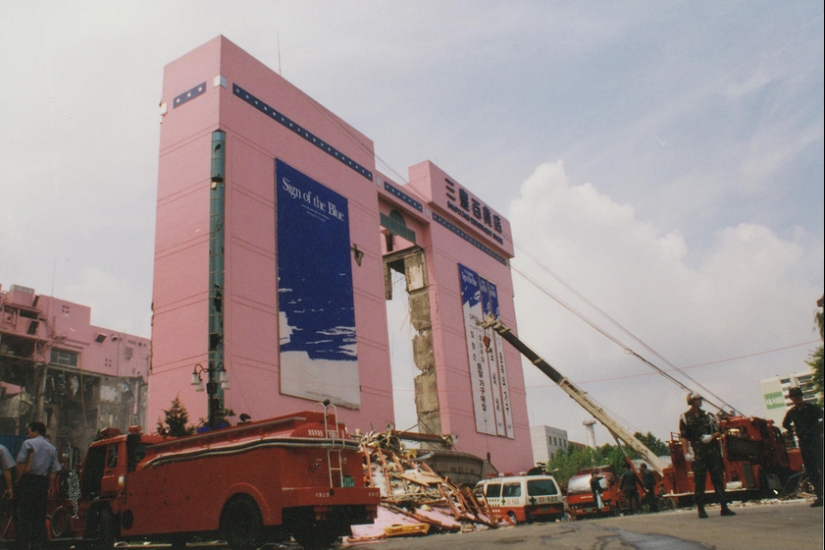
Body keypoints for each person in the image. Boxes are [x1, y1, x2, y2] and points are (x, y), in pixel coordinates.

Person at [680, 392, 735, 519]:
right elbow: (684, 436)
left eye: (700, 399)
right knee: (699, 481)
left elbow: (719, 431)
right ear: (691, 402)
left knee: (718, 480)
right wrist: (686, 453)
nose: (700, 401)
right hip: (698, 454)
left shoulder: (708, 416)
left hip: (712, 452)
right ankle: (701, 508)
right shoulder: (685, 418)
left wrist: (711, 437)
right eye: (697, 399)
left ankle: (724, 507)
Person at [15, 422, 60, 550]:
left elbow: (20, 464)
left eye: (29, 431)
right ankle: (39, 545)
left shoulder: (28, 443)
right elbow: (53, 472)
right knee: (39, 516)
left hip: (28, 481)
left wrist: (18, 481)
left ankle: (22, 545)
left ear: (36, 432)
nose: (28, 434)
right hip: (42, 483)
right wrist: (48, 487)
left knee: (24, 515)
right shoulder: (51, 448)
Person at [782, 386, 823, 507]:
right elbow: (785, 424)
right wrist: (791, 431)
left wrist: (820, 428)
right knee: (811, 470)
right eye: (795, 396)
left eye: (799, 395)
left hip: (815, 440)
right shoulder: (792, 412)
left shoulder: (811, 408)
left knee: (822, 465)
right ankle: (820, 496)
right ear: (791, 398)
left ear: (802, 396)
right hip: (804, 442)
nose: (797, 398)